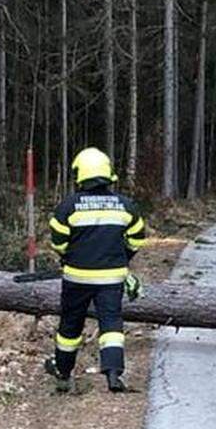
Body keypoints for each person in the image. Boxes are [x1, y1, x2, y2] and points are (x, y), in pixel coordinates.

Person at [44, 147, 147, 393]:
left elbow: (58, 242)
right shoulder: (125, 206)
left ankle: (63, 372)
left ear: (79, 174)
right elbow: (137, 239)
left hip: (76, 277)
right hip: (112, 277)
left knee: (70, 326)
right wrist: (122, 257)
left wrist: (70, 256)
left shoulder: (68, 206)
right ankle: (113, 375)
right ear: (107, 173)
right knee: (111, 324)